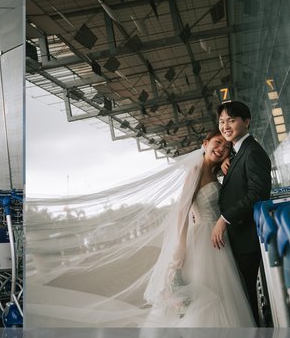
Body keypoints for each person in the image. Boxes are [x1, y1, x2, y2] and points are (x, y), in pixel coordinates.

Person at [25, 135, 253, 327]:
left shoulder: (215, 172)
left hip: (216, 239)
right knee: (207, 292)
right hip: (201, 240)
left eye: (226, 147)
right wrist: (181, 246)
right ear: (205, 143)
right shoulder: (194, 169)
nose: (221, 148)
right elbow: (183, 210)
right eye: (217, 142)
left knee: (221, 292)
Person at [212, 100, 275, 326]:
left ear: (246, 121)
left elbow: (258, 194)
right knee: (246, 296)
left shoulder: (253, 152)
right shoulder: (239, 152)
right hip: (241, 238)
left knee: (250, 297)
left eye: (231, 120)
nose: (225, 126)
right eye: (221, 121)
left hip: (248, 238)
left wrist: (224, 218)